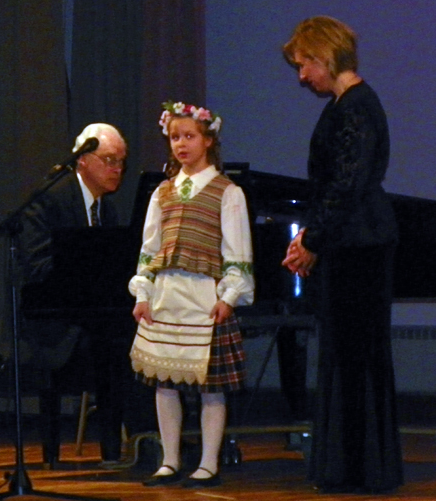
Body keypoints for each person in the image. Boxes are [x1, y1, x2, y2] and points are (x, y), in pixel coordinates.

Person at [281, 16, 403, 494]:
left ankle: (357, 469)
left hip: (359, 245)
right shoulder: (350, 104)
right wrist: (314, 237)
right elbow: (339, 187)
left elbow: (346, 185)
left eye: (305, 64)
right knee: (350, 354)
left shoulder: (355, 107)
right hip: (352, 241)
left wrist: (311, 240)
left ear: (326, 57)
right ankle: (352, 466)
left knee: (354, 356)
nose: (302, 76)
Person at [128, 101, 254, 488]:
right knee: (165, 381)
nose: (180, 144)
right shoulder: (162, 192)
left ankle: (209, 462)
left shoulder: (226, 192)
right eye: (174, 137)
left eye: (189, 136)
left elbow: (238, 251)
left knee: (209, 386)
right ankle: (169, 460)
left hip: (204, 299)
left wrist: (229, 295)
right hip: (167, 297)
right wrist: (142, 293)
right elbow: (149, 249)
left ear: (208, 140)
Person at [20, 123, 136, 468]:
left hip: (88, 318)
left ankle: (149, 442)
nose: (117, 169)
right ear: (83, 160)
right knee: (116, 344)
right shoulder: (49, 199)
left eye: (121, 162)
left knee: (135, 336)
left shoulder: (106, 209)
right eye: (110, 160)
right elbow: (37, 269)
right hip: (52, 326)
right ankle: (125, 447)